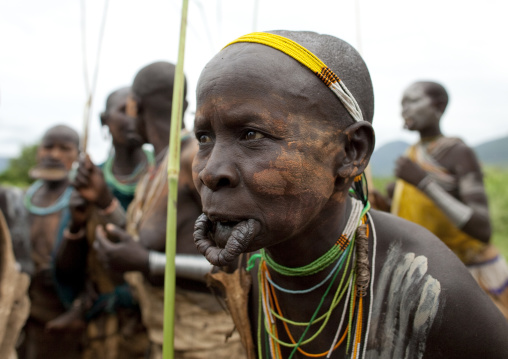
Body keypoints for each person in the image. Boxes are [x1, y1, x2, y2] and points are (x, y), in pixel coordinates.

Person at [191, 31, 508, 358]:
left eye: (251, 134)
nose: (210, 172)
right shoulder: (248, 270)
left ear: (350, 152)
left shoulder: (430, 289)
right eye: (203, 137)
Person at [90, 61, 244, 358]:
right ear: (184, 104)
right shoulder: (161, 164)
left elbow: (239, 263)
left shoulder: (192, 161)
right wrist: (104, 203)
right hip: (165, 339)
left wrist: (149, 262)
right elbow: (142, 241)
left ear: (134, 107)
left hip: (210, 344)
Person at [390, 80, 508, 318]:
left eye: (412, 101)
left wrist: (423, 183)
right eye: (402, 104)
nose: (405, 110)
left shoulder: (459, 153)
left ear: (438, 106)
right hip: (430, 275)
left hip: (470, 277)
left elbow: (482, 228)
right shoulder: (411, 155)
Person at [53, 87, 153, 359]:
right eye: (124, 110)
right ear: (103, 120)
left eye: (137, 110)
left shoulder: (165, 176)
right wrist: (76, 224)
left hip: (160, 322)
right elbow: (66, 270)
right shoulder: (89, 180)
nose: (132, 118)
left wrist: (106, 202)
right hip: (103, 331)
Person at [17, 125, 84, 359]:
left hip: (62, 318)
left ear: (78, 156)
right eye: (48, 146)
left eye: (64, 148)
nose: (54, 155)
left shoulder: (80, 203)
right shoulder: (23, 200)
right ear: (38, 151)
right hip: (24, 314)